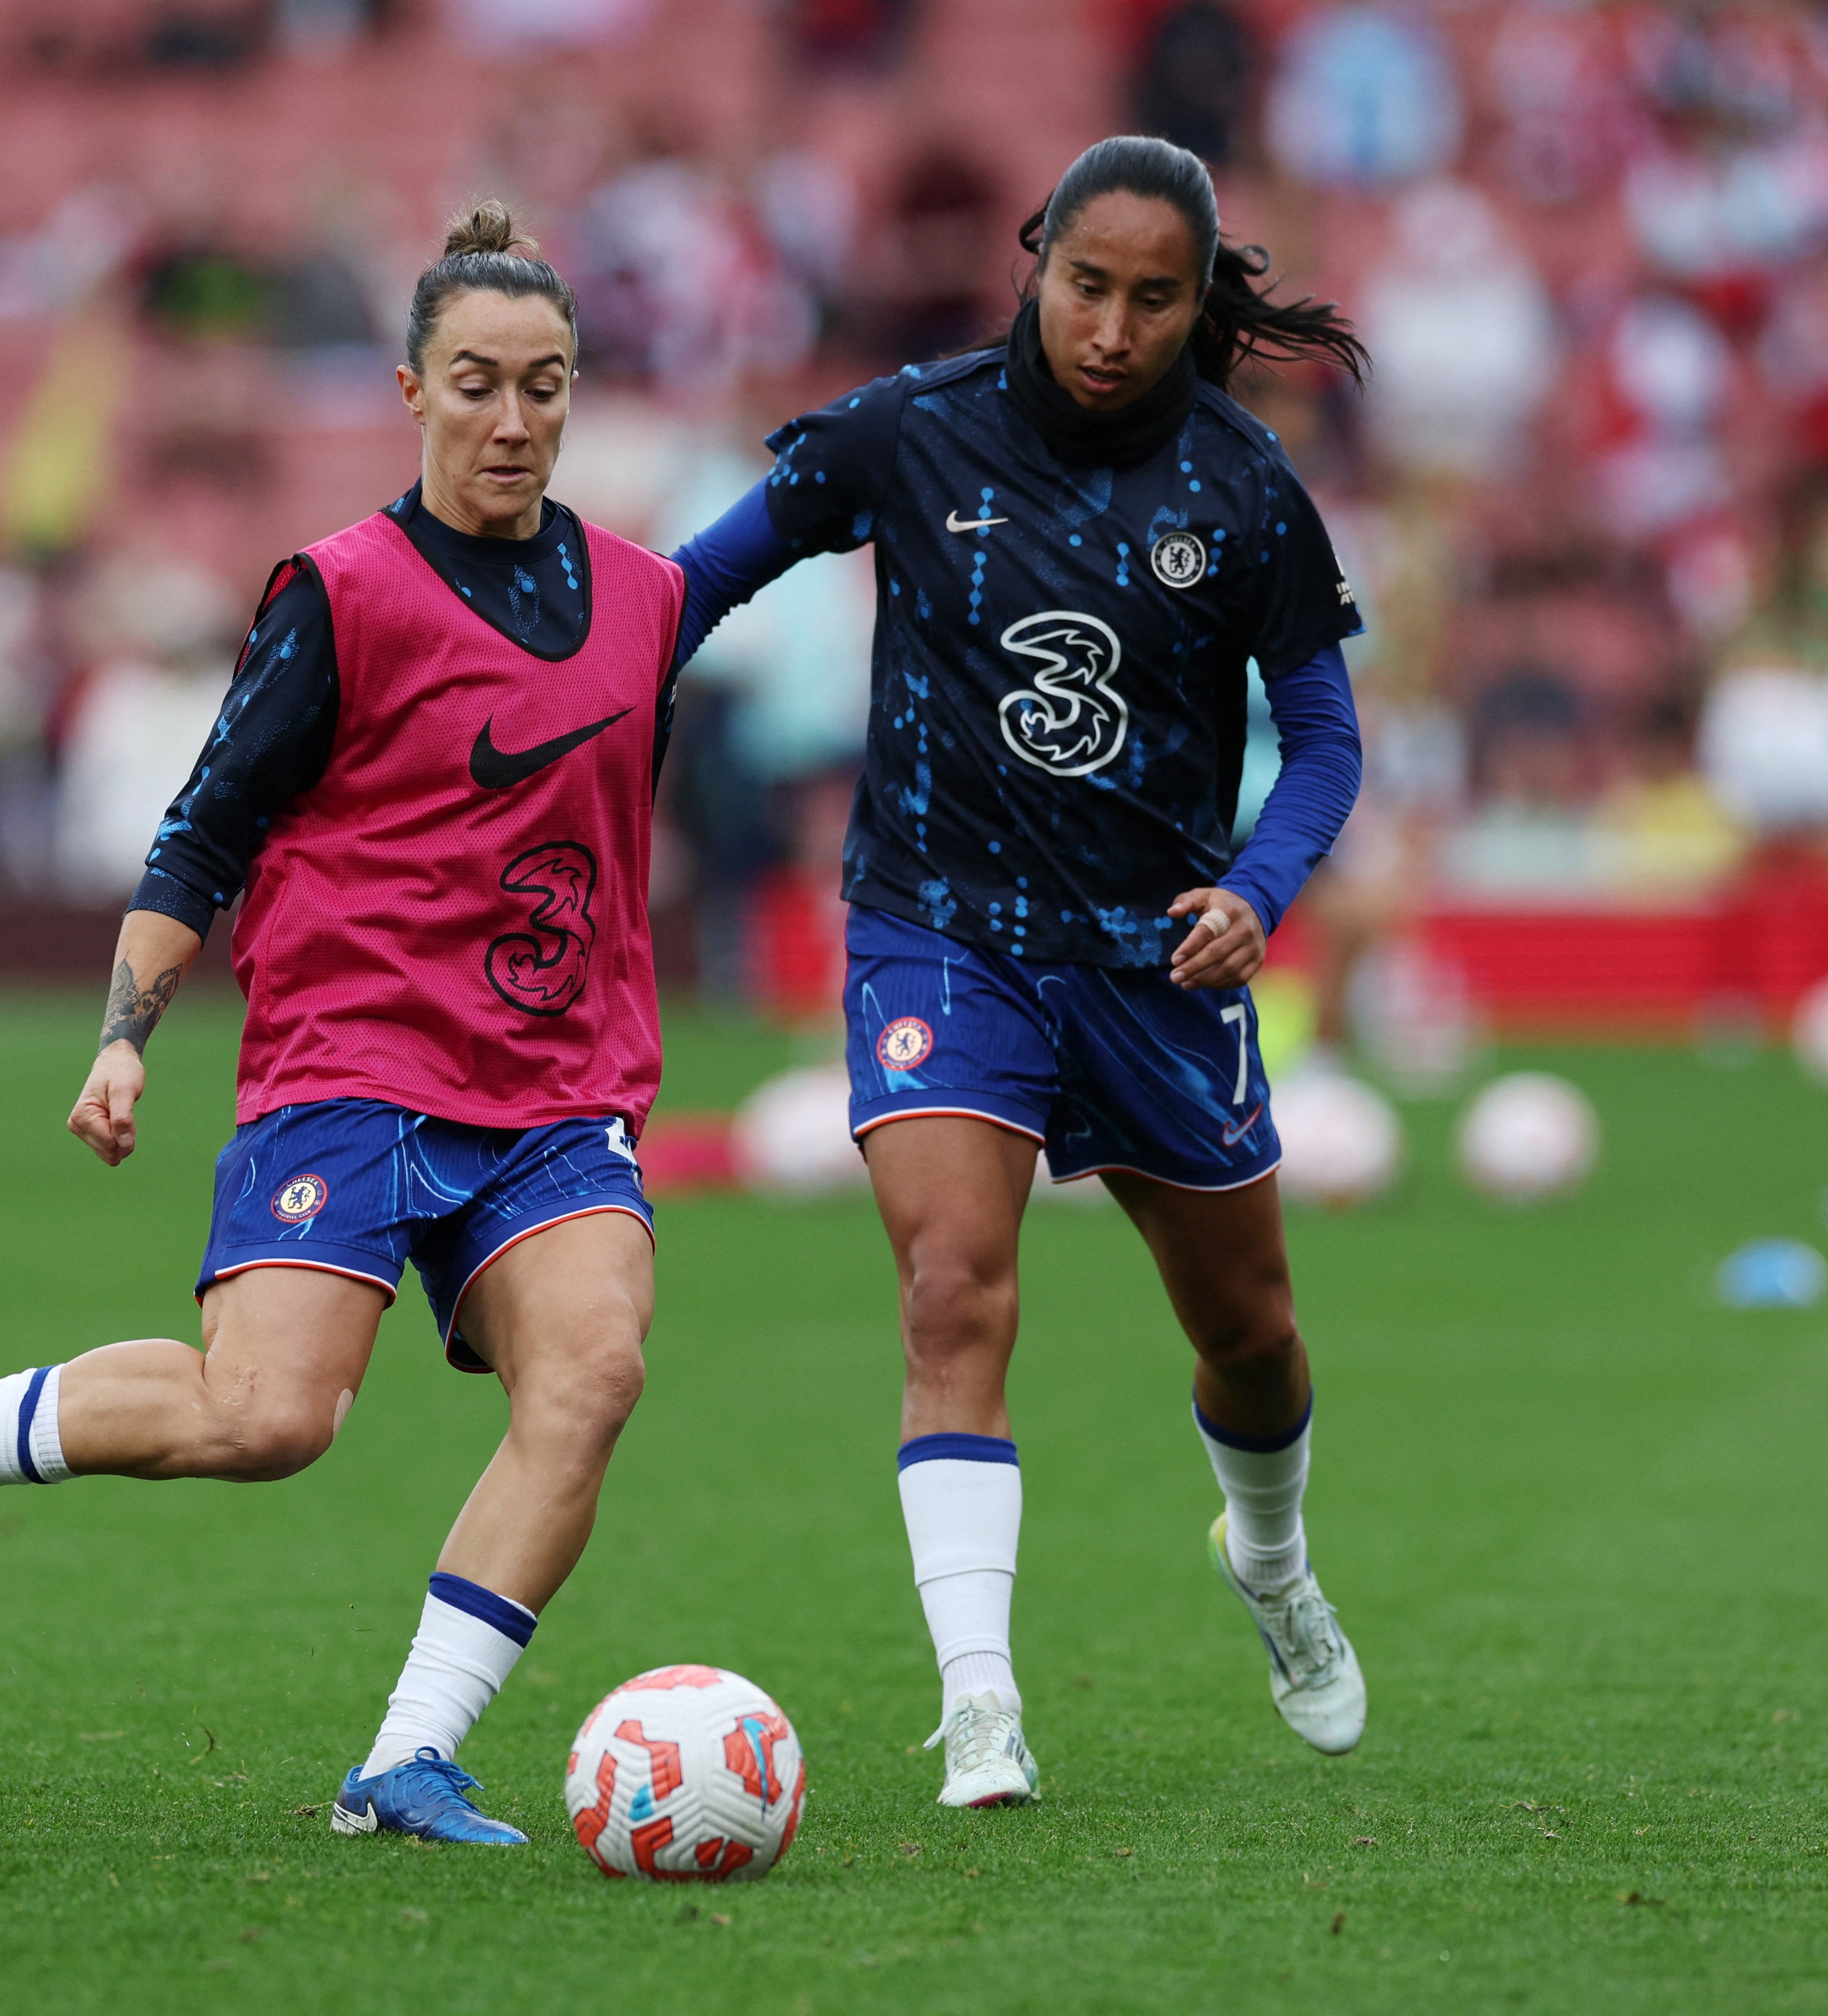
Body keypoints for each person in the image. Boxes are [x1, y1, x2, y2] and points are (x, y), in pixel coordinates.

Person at [0, 204, 708, 1847]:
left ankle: (406, 1759)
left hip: (550, 1086)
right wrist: (123, 1036)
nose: (512, 418)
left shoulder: (648, 596)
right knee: (266, 1420)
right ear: (408, 389)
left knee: (591, 1370)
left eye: (544, 385)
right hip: (355, 1064)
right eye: (475, 383)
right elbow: (204, 835)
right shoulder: (342, 593)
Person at [667, 136, 1372, 1807]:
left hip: (1154, 960)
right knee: (951, 1289)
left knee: (1252, 1333)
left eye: (1152, 298)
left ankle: (1267, 1560)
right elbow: (695, 582)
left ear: (1199, 306)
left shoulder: (1242, 484)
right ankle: (978, 1698)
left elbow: (1330, 739)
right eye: (1085, 285)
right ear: (1030, 262)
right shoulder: (907, 431)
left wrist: (1258, 885)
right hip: (938, 924)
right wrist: (564, 702)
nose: (1112, 327)